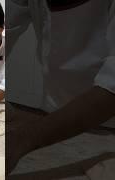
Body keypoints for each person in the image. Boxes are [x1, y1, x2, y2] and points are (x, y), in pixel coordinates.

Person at [8, 0, 115, 174]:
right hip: (54, 118)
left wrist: (24, 139)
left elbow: (113, 87)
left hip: (109, 126)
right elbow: (2, 31)